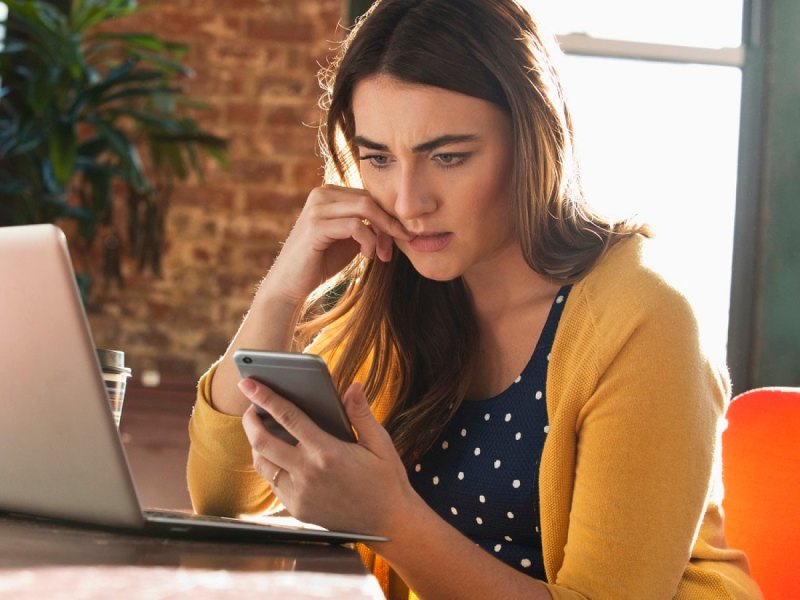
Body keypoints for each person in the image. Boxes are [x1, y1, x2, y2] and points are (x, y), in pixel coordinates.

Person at [187, 1, 763, 598]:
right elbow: (224, 497)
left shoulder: (645, 318)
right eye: (377, 158)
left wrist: (389, 519)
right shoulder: (406, 287)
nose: (409, 201)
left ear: (533, 142)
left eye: (448, 157)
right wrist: (282, 290)